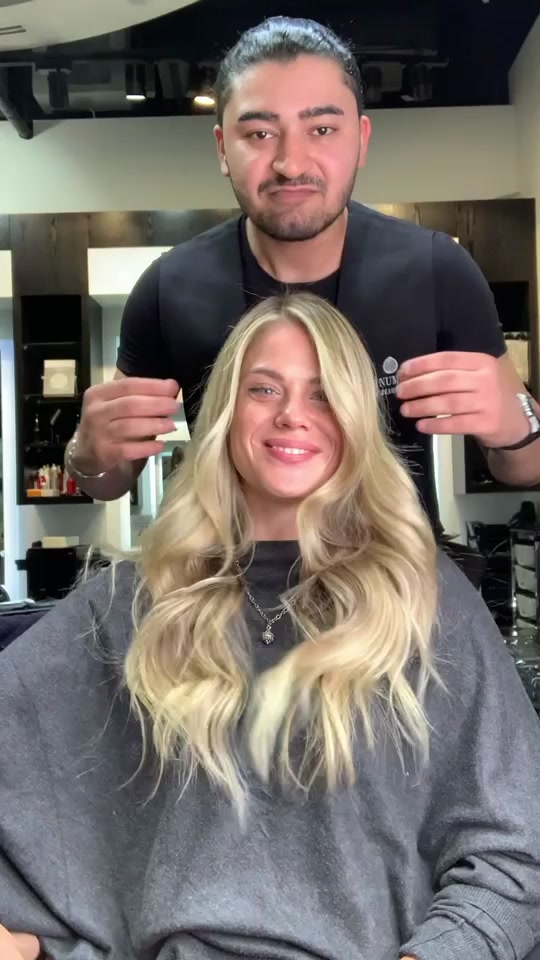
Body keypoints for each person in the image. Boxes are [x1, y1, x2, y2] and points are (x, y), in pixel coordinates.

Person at [2, 293, 540, 960]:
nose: (292, 413)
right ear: (225, 414)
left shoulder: (425, 598)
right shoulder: (130, 604)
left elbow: (518, 850)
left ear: (355, 421)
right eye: (263, 389)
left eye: (323, 394)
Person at [65, 16, 540, 533]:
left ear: (361, 139)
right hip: (227, 577)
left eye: (322, 130)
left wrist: (515, 426)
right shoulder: (168, 288)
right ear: (223, 148)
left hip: (398, 574)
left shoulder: (438, 271)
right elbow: (108, 480)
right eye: (260, 133)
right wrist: (86, 451)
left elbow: (526, 467)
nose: (290, 163)